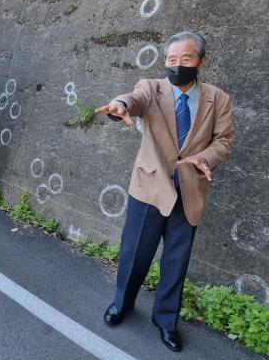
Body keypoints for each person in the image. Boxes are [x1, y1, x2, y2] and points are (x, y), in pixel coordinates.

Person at [96, 31, 235, 352]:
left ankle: (166, 321)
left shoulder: (219, 99)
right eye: (172, 60)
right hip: (149, 187)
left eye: (186, 59)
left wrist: (205, 157)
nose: (178, 65)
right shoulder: (152, 88)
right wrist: (119, 105)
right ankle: (122, 305)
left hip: (189, 191)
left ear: (201, 61)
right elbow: (133, 100)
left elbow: (224, 140)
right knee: (134, 254)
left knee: (176, 260)